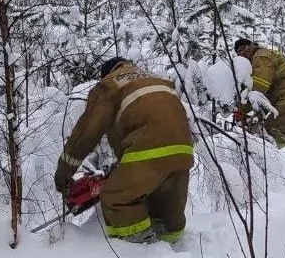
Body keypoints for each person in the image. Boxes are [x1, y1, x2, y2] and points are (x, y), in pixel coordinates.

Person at [54, 57, 194, 244]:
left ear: (107, 73)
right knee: (167, 217)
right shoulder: (157, 80)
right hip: (183, 149)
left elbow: (87, 132)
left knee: (116, 198)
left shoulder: (110, 84)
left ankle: (142, 249)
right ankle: (173, 248)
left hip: (150, 147)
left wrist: (65, 170)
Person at [233, 39, 285, 147]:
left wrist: (241, 109)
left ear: (251, 45)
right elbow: (268, 92)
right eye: (239, 52)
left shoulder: (260, 56)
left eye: (243, 48)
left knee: (273, 130)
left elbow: (260, 87)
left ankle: (283, 159)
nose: (242, 53)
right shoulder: (265, 54)